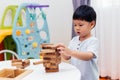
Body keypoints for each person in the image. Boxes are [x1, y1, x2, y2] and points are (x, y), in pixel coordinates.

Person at [56, 5, 99, 80]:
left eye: (80, 25)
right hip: (76, 76)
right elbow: (67, 57)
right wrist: (62, 51)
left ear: (92, 24)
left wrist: (71, 52)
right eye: (75, 25)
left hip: (89, 78)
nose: (77, 28)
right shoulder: (74, 40)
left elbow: (88, 56)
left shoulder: (93, 41)